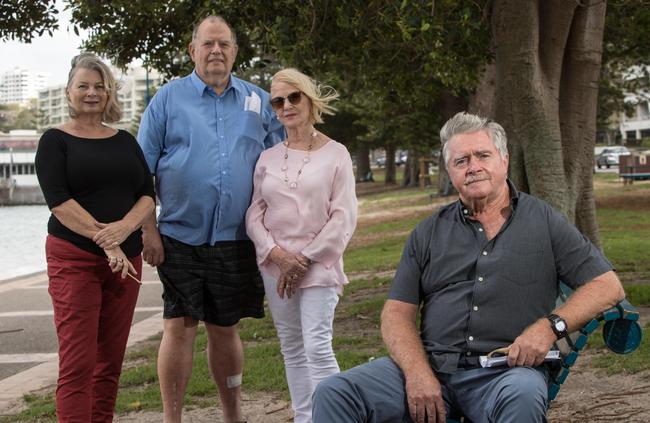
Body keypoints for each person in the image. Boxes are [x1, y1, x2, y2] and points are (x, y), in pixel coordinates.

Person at [312, 112, 626, 423]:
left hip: (505, 373)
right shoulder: (429, 231)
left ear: (504, 160)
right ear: (450, 172)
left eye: (483, 155)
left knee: (524, 396)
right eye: (461, 161)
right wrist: (418, 373)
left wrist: (549, 327)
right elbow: (396, 313)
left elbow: (607, 285)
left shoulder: (544, 221)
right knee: (335, 392)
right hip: (432, 369)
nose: (473, 167)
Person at [137, 15, 285, 423]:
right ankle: (172, 418)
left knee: (225, 326)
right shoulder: (167, 99)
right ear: (192, 50)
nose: (216, 51)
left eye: (224, 44)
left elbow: (281, 167)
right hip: (178, 235)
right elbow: (139, 171)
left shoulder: (259, 102)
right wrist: (148, 230)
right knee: (178, 326)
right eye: (208, 44)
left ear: (235, 51)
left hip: (238, 237)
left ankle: (233, 414)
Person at [34, 52, 155, 423]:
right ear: (69, 92)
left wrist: (125, 229)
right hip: (76, 259)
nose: (91, 92)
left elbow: (147, 194)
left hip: (125, 264)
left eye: (99, 87)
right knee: (78, 362)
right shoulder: (55, 141)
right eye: (83, 85)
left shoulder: (124, 141)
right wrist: (110, 241)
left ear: (109, 94)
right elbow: (59, 202)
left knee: (110, 361)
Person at [245, 68, 357, 423]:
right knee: (292, 349)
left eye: (294, 97)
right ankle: (305, 417)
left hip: (319, 264)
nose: (287, 106)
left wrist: (304, 259)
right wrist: (277, 255)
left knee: (318, 347)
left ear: (309, 100)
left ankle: (336, 417)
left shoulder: (337, 153)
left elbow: (343, 216)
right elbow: (254, 214)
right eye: (278, 101)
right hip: (276, 268)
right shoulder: (267, 158)